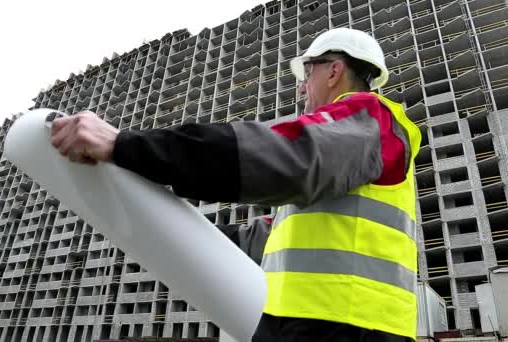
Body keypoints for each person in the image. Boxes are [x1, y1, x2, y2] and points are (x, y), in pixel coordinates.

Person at [51, 28, 421, 342]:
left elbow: (285, 157)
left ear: (333, 71)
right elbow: (273, 240)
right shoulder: (349, 155)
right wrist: (174, 227)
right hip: (318, 322)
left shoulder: (371, 120)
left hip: (348, 326)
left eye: (306, 76)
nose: (301, 90)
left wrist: (125, 145)